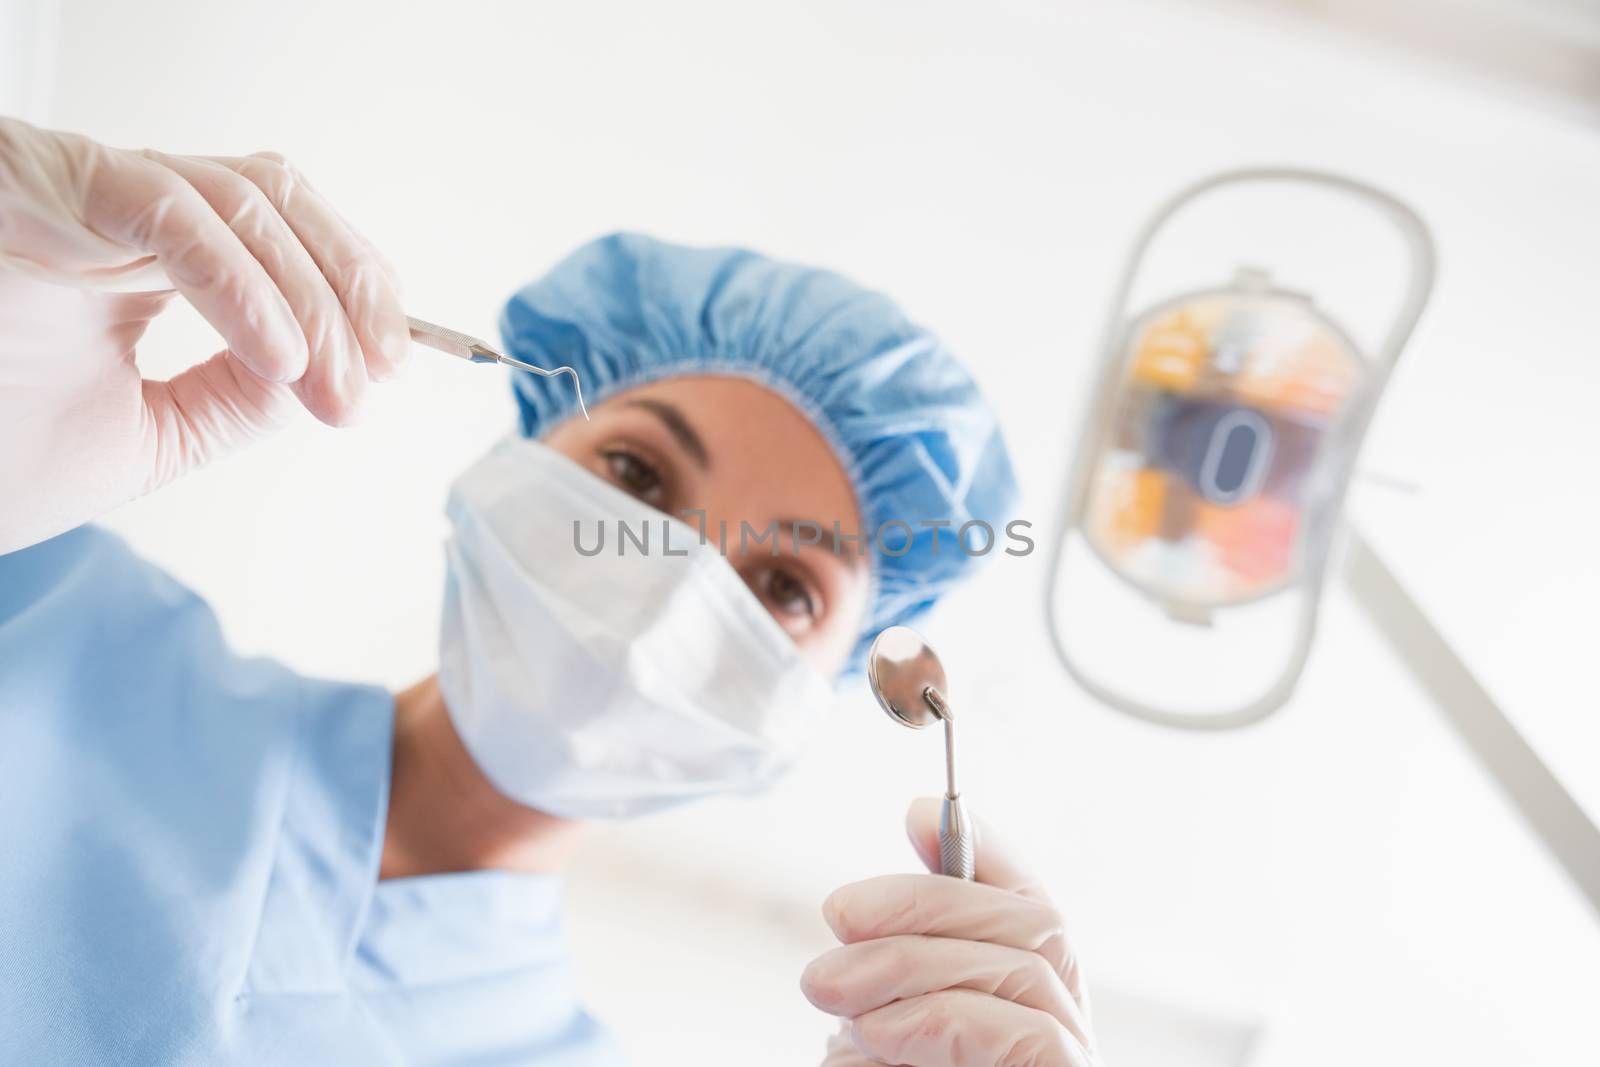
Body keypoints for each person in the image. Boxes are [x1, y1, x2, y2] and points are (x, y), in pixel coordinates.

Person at [0, 118, 1098, 1067]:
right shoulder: (44, 602)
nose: (673, 586)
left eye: (781, 583)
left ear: (835, 687)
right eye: (635, 474)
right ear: (521, 454)